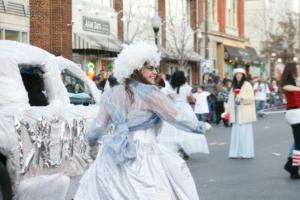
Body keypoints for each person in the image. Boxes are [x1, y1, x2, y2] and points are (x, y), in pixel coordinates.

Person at [74, 42, 205, 200]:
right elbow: (176, 117)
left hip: (114, 154)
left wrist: (92, 143)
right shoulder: (150, 93)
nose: (155, 72)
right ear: (135, 68)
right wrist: (198, 126)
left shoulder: (111, 94)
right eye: (150, 68)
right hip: (144, 155)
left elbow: (98, 127)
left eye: (156, 68)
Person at [158, 71, 209, 159]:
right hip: (185, 108)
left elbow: (165, 96)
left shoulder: (169, 86)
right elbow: (191, 98)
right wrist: (193, 100)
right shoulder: (185, 86)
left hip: (173, 108)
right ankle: (185, 149)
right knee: (187, 128)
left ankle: (176, 149)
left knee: (173, 129)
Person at [228, 68, 256, 158]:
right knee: (236, 133)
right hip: (236, 111)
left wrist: (241, 96)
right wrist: (228, 110)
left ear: (243, 75)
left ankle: (246, 153)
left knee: (245, 133)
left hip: (245, 112)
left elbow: (251, 98)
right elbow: (230, 99)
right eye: (237, 74)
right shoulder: (233, 86)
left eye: (240, 74)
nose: (238, 76)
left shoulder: (247, 84)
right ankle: (235, 153)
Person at [280, 63, 300, 179]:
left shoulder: (293, 81)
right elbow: (286, 87)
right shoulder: (288, 82)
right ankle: (293, 170)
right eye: (298, 69)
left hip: (296, 113)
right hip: (295, 114)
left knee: (298, 143)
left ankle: (290, 165)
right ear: (292, 70)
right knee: (299, 144)